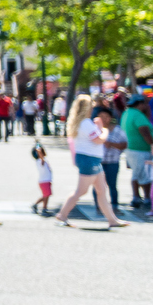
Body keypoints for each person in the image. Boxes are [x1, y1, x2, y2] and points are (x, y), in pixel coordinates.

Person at [54, 95, 130, 229]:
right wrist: (104, 130)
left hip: (91, 159)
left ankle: (112, 220)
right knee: (81, 191)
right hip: (89, 160)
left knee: (101, 190)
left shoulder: (82, 123)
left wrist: (99, 128)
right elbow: (99, 140)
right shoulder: (85, 123)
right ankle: (62, 214)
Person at [120, 95, 153, 209]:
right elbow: (144, 131)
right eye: (145, 103)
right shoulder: (137, 114)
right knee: (145, 175)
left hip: (131, 149)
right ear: (140, 104)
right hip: (140, 150)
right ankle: (148, 198)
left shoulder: (127, 113)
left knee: (136, 173)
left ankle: (136, 197)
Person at [100, 110, 126, 211]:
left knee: (112, 185)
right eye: (101, 116)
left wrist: (112, 144)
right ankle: (99, 205)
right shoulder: (95, 129)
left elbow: (124, 145)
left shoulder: (118, 130)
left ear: (110, 118)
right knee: (98, 186)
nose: (103, 119)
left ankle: (114, 205)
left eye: (106, 116)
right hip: (99, 162)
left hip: (113, 162)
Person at [31, 144, 53, 216]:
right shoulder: (40, 161)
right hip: (44, 181)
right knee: (45, 195)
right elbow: (41, 156)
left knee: (46, 195)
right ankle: (42, 208)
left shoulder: (42, 161)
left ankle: (41, 207)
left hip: (46, 181)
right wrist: (38, 149)